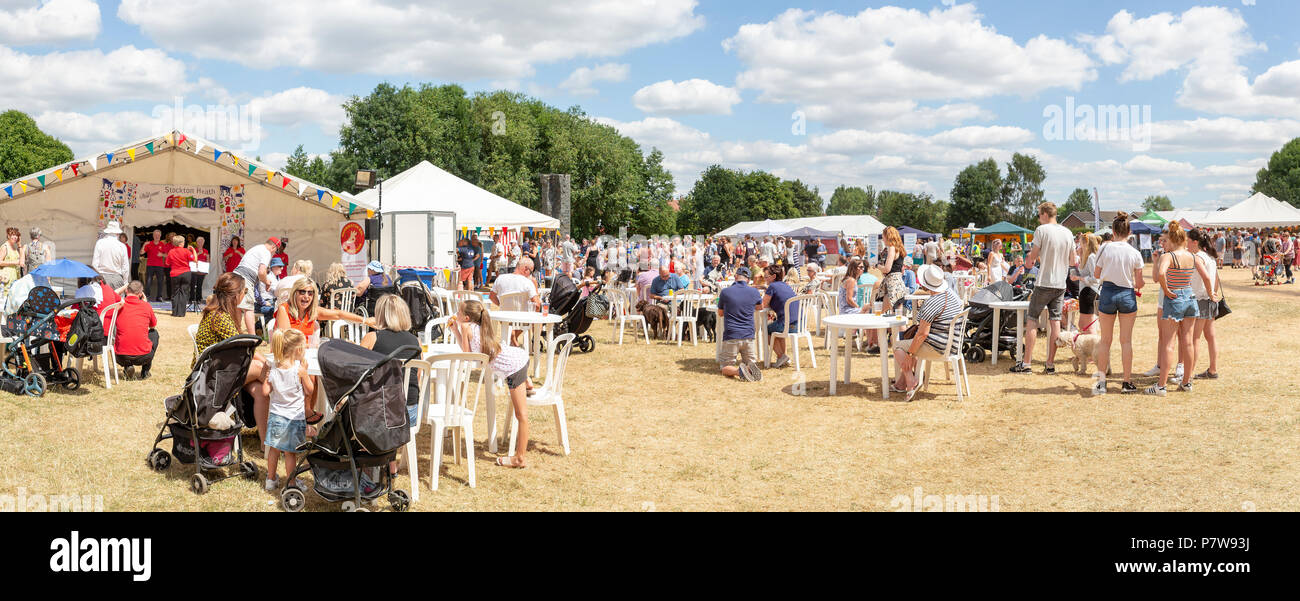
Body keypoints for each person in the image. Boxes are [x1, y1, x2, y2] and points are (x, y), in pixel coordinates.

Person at [448, 299, 532, 468]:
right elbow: (471, 353)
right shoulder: (476, 327)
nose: (456, 315)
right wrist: (455, 330)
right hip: (517, 358)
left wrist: (460, 330)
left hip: (513, 367)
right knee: (521, 413)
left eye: (458, 312)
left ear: (466, 318)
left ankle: (519, 458)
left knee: (521, 415)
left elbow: (468, 357)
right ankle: (527, 382)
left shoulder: (468, 328)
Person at [195, 273, 272, 440]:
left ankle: (265, 442)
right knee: (264, 370)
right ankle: (287, 418)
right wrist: (269, 363)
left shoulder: (222, 312)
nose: (245, 294)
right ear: (236, 294)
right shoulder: (220, 317)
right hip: (210, 377)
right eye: (244, 291)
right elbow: (246, 349)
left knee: (260, 391)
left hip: (221, 369)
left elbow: (244, 349)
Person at [360, 294, 423, 478]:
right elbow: (416, 377)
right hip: (409, 411)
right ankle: (391, 465)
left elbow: (359, 373)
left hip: (381, 413)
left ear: (380, 315)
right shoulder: (416, 342)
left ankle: (366, 462)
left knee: (357, 407)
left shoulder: (372, 338)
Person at [1146, 222, 1210, 396]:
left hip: (1174, 298)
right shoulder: (1193, 256)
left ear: (1172, 239)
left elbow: (1160, 274)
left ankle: (1161, 386)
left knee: (1169, 344)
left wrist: (1167, 290)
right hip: (1190, 298)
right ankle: (1187, 382)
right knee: (1188, 342)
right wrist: (1212, 294)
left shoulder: (1169, 256)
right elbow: (1206, 276)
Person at [1010, 202, 1075, 374]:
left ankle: (1027, 364)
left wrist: (1034, 259)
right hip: (1060, 284)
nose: (1038, 218)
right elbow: (1073, 261)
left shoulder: (1041, 230)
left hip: (1044, 282)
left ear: (1045, 214)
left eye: (1039, 215)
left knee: (1032, 320)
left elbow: (1031, 260)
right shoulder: (1068, 232)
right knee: (1055, 323)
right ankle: (1050, 364)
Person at [888, 265, 962, 401]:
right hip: (954, 345)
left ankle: (911, 382)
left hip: (938, 347)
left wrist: (910, 354)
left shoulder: (932, 303)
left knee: (898, 346)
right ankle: (901, 384)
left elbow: (922, 334)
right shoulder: (952, 295)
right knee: (911, 344)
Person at [1091, 214, 1145, 395]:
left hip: (1107, 292)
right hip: (1127, 294)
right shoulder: (1135, 253)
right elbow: (1139, 283)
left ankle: (1101, 382)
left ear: (1113, 232)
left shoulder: (1105, 249)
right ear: (1129, 232)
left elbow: (1097, 274)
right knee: (1126, 341)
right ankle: (1126, 382)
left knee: (1105, 340)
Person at [262, 328, 316, 491]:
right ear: (298, 350)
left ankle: (270, 480)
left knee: (274, 449)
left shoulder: (274, 368)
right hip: (294, 418)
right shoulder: (299, 370)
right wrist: (306, 375)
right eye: (304, 347)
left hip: (277, 416)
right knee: (290, 453)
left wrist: (266, 377)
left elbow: (265, 392)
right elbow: (310, 391)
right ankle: (292, 483)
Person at [274, 277, 372, 346]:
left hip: (306, 355)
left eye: (310, 293)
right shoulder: (284, 309)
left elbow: (339, 314)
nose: (306, 296)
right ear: (295, 293)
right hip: (287, 357)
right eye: (302, 292)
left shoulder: (312, 311)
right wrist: (310, 345)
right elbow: (286, 341)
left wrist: (366, 320)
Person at [716, 267, 764, 382]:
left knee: (725, 367)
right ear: (748, 280)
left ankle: (739, 372)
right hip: (749, 335)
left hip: (732, 335)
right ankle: (749, 368)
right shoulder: (754, 292)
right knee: (751, 362)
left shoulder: (725, 292)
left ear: (735, 277)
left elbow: (720, 313)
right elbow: (760, 307)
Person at [1187, 229, 1221, 381]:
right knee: (1210, 336)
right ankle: (1213, 369)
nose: (1186, 244)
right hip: (1210, 300)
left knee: (1195, 338)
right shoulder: (1210, 257)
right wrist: (1213, 294)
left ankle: (1190, 372)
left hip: (1200, 299)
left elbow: (1207, 278)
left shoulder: (1198, 257)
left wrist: (1209, 292)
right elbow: (1215, 279)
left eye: (1188, 241)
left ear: (1195, 242)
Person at [232, 237, 280, 335]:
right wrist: (267, 281)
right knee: (249, 309)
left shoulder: (257, 248)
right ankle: (252, 338)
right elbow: (262, 272)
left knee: (238, 307)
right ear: (274, 247)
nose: (274, 253)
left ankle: (236, 333)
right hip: (245, 279)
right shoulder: (266, 252)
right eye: (275, 251)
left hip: (235, 276)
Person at [113, 281, 159, 380]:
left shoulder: (119, 304)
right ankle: (145, 370)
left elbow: (111, 294)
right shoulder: (146, 306)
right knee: (154, 334)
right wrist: (145, 303)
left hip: (120, 356)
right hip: (143, 355)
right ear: (141, 294)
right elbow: (153, 325)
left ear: (126, 290)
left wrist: (123, 287)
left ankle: (127, 366)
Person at [760, 264, 801, 368]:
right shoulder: (785, 285)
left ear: (773, 277)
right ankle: (783, 357)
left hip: (786, 325)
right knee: (776, 329)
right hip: (798, 324)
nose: (765, 279)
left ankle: (781, 356)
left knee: (766, 329)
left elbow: (763, 305)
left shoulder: (772, 286)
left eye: (766, 277)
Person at [1070, 233, 1102, 334]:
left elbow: (1095, 278)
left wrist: (1079, 278)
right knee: (1082, 324)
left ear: (1086, 244)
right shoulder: (1087, 256)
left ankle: (1093, 345)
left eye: (1080, 243)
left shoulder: (1092, 257)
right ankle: (1087, 345)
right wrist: (1079, 254)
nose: (1079, 246)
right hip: (1085, 290)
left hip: (1089, 291)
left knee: (1088, 325)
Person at [91, 222, 130, 290]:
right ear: (118, 233)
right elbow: (125, 267)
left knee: (103, 299)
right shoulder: (122, 246)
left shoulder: (100, 243)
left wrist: (96, 278)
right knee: (117, 300)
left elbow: (94, 264)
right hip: (117, 278)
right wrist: (125, 281)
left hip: (102, 277)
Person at [166, 235, 195, 317]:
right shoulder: (186, 251)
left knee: (175, 293)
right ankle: (181, 313)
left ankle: (175, 312)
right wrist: (193, 250)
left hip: (175, 273)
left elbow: (167, 263)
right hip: (186, 272)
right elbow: (194, 259)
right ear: (181, 243)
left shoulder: (171, 251)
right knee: (184, 292)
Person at [880, 227, 908, 313]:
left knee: (895, 317)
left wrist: (878, 266)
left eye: (883, 236)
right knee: (895, 316)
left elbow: (887, 269)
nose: (883, 239)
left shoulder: (892, 248)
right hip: (897, 284)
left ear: (888, 236)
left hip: (893, 285)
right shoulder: (899, 248)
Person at [142, 229, 171, 300]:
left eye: (158, 235)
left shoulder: (162, 244)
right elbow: (141, 253)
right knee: (148, 282)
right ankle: (147, 296)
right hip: (150, 265)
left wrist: (162, 254)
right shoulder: (149, 244)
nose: (157, 236)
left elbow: (167, 255)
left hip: (160, 266)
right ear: (153, 236)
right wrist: (144, 244)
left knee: (160, 282)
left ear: (160, 236)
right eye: (155, 235)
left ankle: (159, 297)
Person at [0, 227, 22, 294]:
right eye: (13, 235)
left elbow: (21, 260)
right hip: (6, 278)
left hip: (15, 277)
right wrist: (14, 262)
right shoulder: (5, 247)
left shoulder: (14, 247)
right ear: (8, 236)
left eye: (16, 235)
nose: (15, 237)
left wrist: (19, 245)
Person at [190, 236, 210, 303]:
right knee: (193, 285)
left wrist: (208, 258)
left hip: (202, 270)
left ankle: (198, 299)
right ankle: (191, 298)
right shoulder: (194, 250)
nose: (200, 243)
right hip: (194, 270)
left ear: (203, 243)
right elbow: (191, 259)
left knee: (199, 285)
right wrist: (198, 254)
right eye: (199, 242)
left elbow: (207, 261)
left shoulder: (206, 251)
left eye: (202, 242)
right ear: (196, 243)